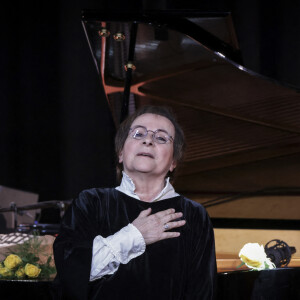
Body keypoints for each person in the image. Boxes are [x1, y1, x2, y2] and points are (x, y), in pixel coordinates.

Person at [53, 105, 216, 300]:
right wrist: (134, 235)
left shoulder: (194, 215)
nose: (148, 140)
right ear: (120, 153)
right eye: (138, 134)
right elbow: (70, 275)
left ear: (174, 162)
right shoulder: (91, 202)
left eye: (161, 138)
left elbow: (203, 292)